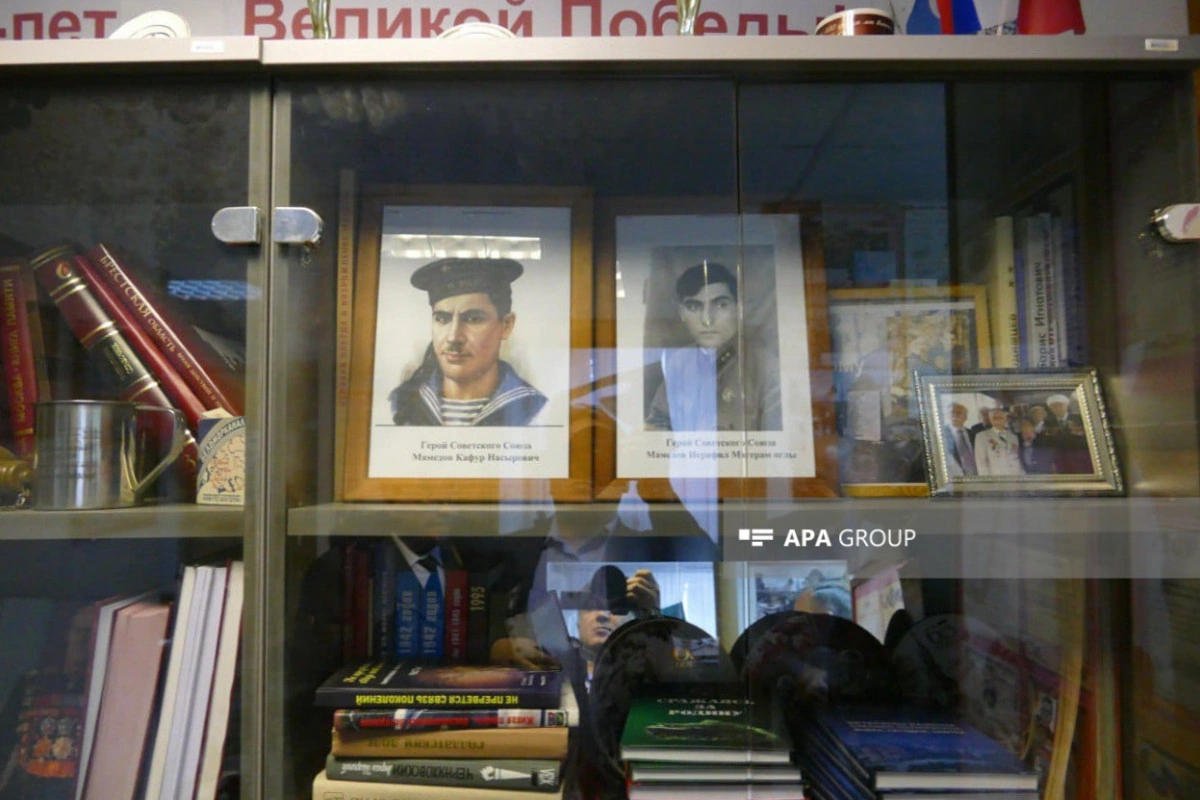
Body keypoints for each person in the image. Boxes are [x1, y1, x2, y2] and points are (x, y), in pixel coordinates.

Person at [389, 257, 546, 426]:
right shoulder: (402, 404)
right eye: (442, 319)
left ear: (506, 326)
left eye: (473, 319)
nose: (453, 337)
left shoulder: (535, 409)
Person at [644, 261, 781, 432]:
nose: (707, 319)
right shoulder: (679, 362)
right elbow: (657, 424)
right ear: (682, 314)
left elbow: (779, 440)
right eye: (694, 307)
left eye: (720, 304)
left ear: (738, 309)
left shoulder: (766, 368)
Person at [974, 406, 1023, 476]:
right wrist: (986, 479)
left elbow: (1017, 458)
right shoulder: (982, 436)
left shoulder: (1013, 436)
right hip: (996, 477)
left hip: (1015, 475)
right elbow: (981, 462)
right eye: (995, 418)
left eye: (1000, 418)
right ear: (990, 419)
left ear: (1005, 419)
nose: (998, 420)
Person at [942, 401, 978, 477]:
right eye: (952, 412)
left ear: (966, 417)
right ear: (947, 415)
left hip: (974, 475)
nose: (955, 415)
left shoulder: (973, 434)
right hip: (953, 476)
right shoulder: (941, 434)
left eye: (959, 413)